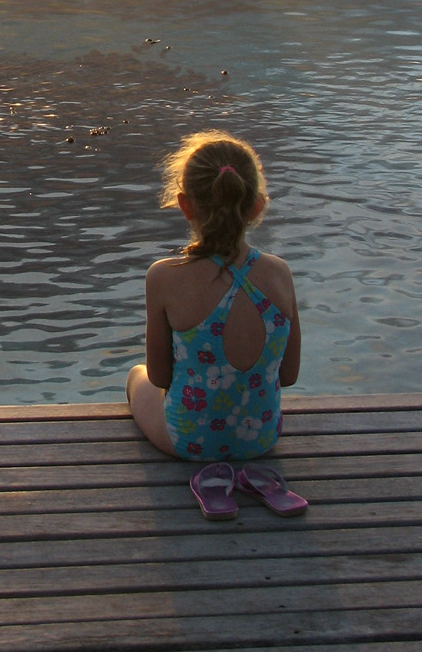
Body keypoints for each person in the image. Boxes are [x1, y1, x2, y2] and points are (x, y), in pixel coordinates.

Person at [127, 130, 301, 509]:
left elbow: (160, 377)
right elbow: (288, 376)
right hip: (261, 439)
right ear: (256, 205)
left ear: (184, 205)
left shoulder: (164, 276)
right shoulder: (280, 273)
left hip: (190, 442)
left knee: (135, 376)